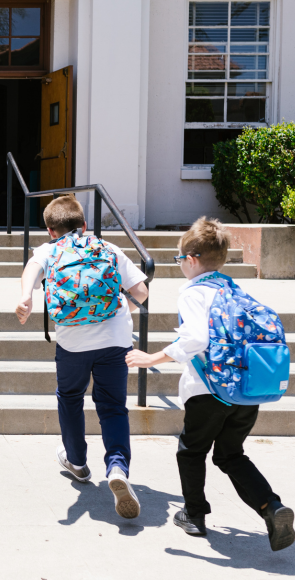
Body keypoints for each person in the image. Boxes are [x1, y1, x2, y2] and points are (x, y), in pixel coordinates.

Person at [126, 217, 294, 550]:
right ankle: (271, 507)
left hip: (207, 391)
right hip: (245, 391)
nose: (180, 267)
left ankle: (194, 514)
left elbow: (195, 339)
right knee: (231, 455)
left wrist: (151, 358)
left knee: (191, 452)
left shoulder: (193, 293)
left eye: (179, 260)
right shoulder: (234, 289)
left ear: (191, 260)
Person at [15, 195, 149, 519]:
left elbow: (31, 273)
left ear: (50, 230)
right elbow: (142, 292)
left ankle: (76, 461)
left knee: (71, 398)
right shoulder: (108, 248)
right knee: (113, 406)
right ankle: (117, 467)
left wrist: (24, 299)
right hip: (116, 340)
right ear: (85, 225)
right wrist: (120, 311)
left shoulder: (49, 251)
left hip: (73, 343)